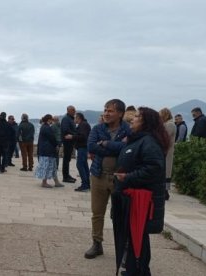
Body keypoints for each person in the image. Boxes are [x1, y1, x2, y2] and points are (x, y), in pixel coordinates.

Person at [112, 107, 169, 276]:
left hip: (140, 202)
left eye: (137, 117)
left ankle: (137, 270)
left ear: (146, 122)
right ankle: (133, 269)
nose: (132, 119)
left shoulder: (149, 142)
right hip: (130, 199)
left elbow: (154, 168)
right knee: (133, 238)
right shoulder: (138, 140)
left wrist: (127, 177)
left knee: (138, 238)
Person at [85, 99, 131, 259]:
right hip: (98, 175)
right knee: (97, 212)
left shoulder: (128, 130)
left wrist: (105, 144)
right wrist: (116, 147)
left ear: (120, 113)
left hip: (120, 178)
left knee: (119, 214)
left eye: (110, 111)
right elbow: (91, 146)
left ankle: (123, 246)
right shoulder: (97, 128)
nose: (106, 113)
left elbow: (128, 150)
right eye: (105, 110)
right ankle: (97, 243)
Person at [35, 114, 63, 188]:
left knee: (53, 166)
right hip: (47, 150)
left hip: (46, 150)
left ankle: (56, 182)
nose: (52, 121)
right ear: (49, 120)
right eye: (51, 120)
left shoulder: (44, 127)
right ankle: (44, 182)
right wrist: (56, 145)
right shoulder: (46, 127)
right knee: (46, 166)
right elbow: (52, 138)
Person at [66, 112, 91, 192]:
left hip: (82, 148)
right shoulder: (84, 124)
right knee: (84, 166)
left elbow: (83, 137)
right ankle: (87, 183)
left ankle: (85, 185)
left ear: (78, 118)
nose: (74, 119)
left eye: (75, 118)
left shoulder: (83, 125)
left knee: (80, 165)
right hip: (83, 148)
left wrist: (72, 136)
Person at [159, 108, 176, 201]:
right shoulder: (168, 124)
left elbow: (164, 136)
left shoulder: (170, 124)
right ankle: (164, 191)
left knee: (165, 172)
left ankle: (165, 192)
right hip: (165, 151)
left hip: (166, 152)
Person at [61, 105, 77, 183]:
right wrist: (75, 134)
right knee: (66, 159)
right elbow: (65, 130)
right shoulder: (66, 119)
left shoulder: (70, 119)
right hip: (67, 141)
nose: (75, 112)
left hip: (71, 141)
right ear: (68, 110)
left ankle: (67, 175)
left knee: (68, 159)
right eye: (73, 110)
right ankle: (65, 177)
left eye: (74, 110)